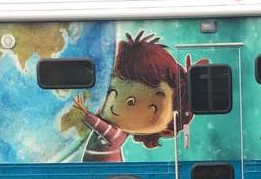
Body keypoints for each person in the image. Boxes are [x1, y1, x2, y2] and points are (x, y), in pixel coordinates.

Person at [72, 31, 207, 162]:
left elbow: (98, 125)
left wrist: (84, 111)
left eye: (153, 107)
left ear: (169, 127)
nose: (128, 101)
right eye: (112, 89)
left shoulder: (115, 136)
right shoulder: (117, 135)